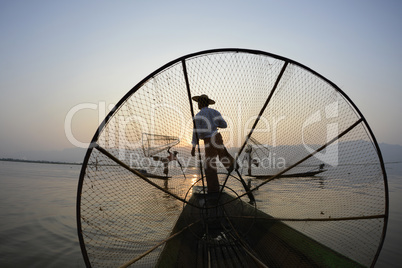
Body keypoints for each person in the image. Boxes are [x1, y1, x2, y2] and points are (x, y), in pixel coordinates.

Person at [191, 94, 236, 193]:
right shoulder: (215, 112)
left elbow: (196, 132)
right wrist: (215, 123)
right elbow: (224, 125)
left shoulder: (198, 116)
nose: (197, 104)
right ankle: (231, 163)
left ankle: (213, 190)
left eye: (198, 102)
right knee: (222, 153)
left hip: (208, 140)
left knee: (209, 165)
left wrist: (193, 147)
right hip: (217, 137)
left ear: (201, 103)